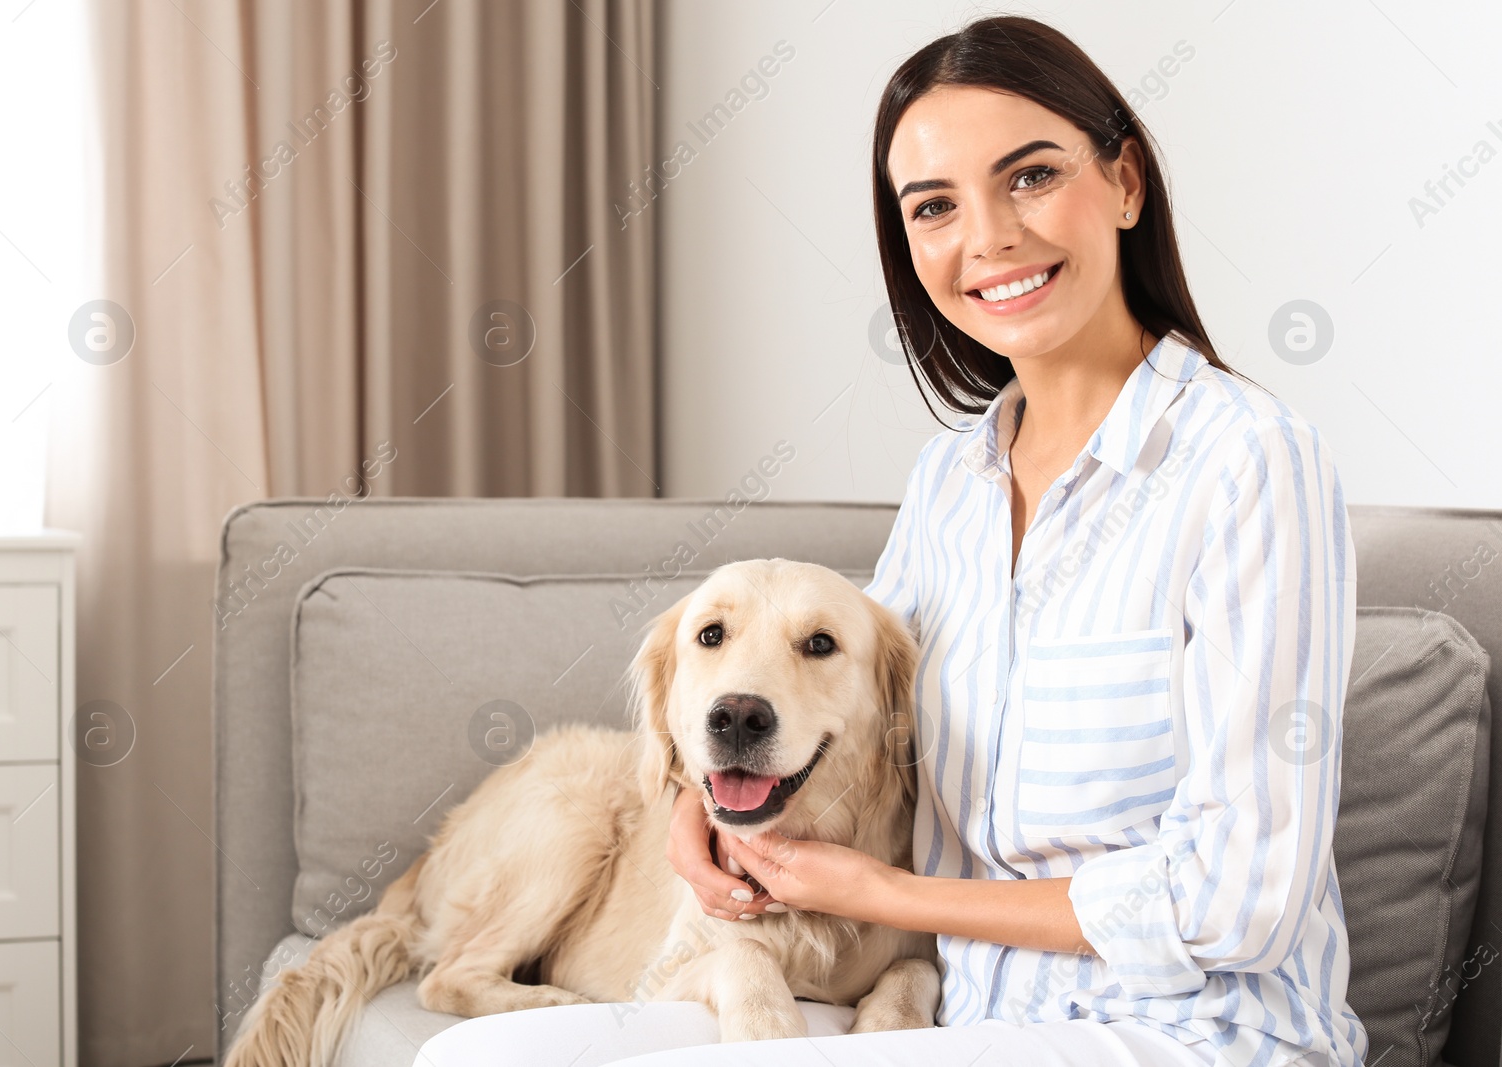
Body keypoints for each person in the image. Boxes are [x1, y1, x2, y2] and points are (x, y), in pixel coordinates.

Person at [423, 14, 1366, 1066]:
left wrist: (893, 895)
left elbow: (1243, 895)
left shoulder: (1250, 462)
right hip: (952, 1014)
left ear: (1127, 183)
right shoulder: (948, 485)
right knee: (473, 1058)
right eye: (934, 206)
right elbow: (841, 721)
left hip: (1182, 1032)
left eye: (1031, 176)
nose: (988, 237)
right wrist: (704, 813)